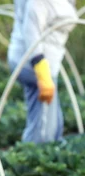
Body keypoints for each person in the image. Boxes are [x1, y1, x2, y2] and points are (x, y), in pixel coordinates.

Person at [8, 0, 78, 143]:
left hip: (35, 62)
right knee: (44, 131)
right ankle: (31, 159)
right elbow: (31, 33)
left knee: (53, 123)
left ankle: (44, 153)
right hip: (35, 65)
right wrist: (41, 68)